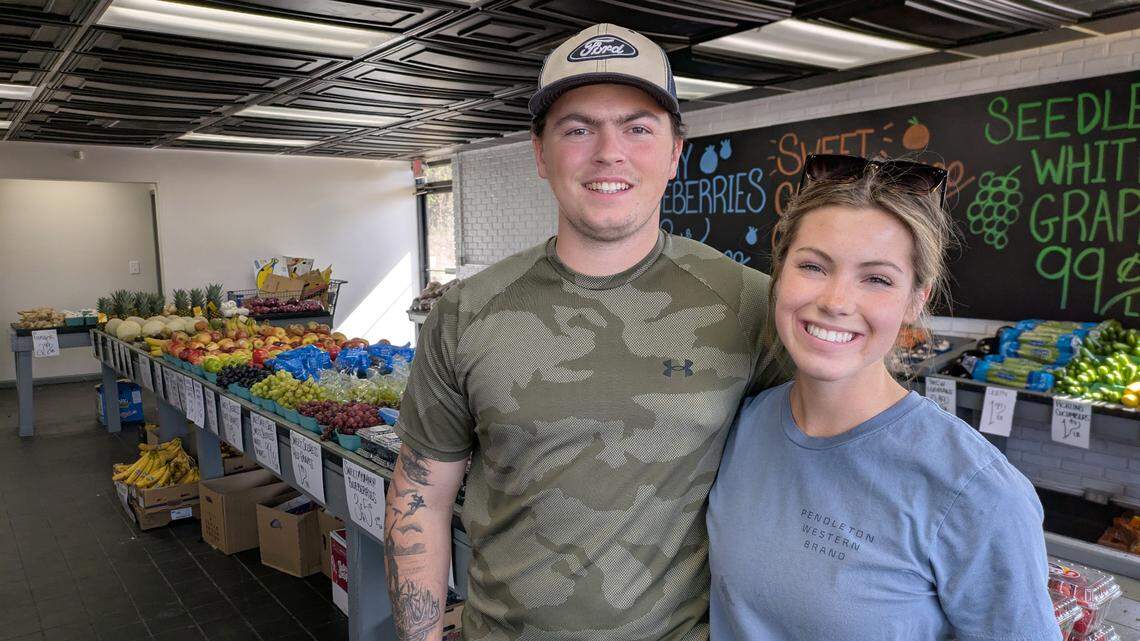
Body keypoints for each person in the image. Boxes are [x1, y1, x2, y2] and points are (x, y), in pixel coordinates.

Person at [385, 22, 791, 641]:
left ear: (676, 153)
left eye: (638, 127)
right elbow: (422, 496)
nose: (609, 151)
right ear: (541, 154)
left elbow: (826, 453)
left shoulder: (752, 305)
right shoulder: (468, 311)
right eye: (578, 129)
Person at [707, 154, 1059, 641]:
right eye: (812, 266)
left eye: (876, 278)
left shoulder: (976, 492)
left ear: (917, 299)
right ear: (779, 272)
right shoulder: (739, 427)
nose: (835, 301)